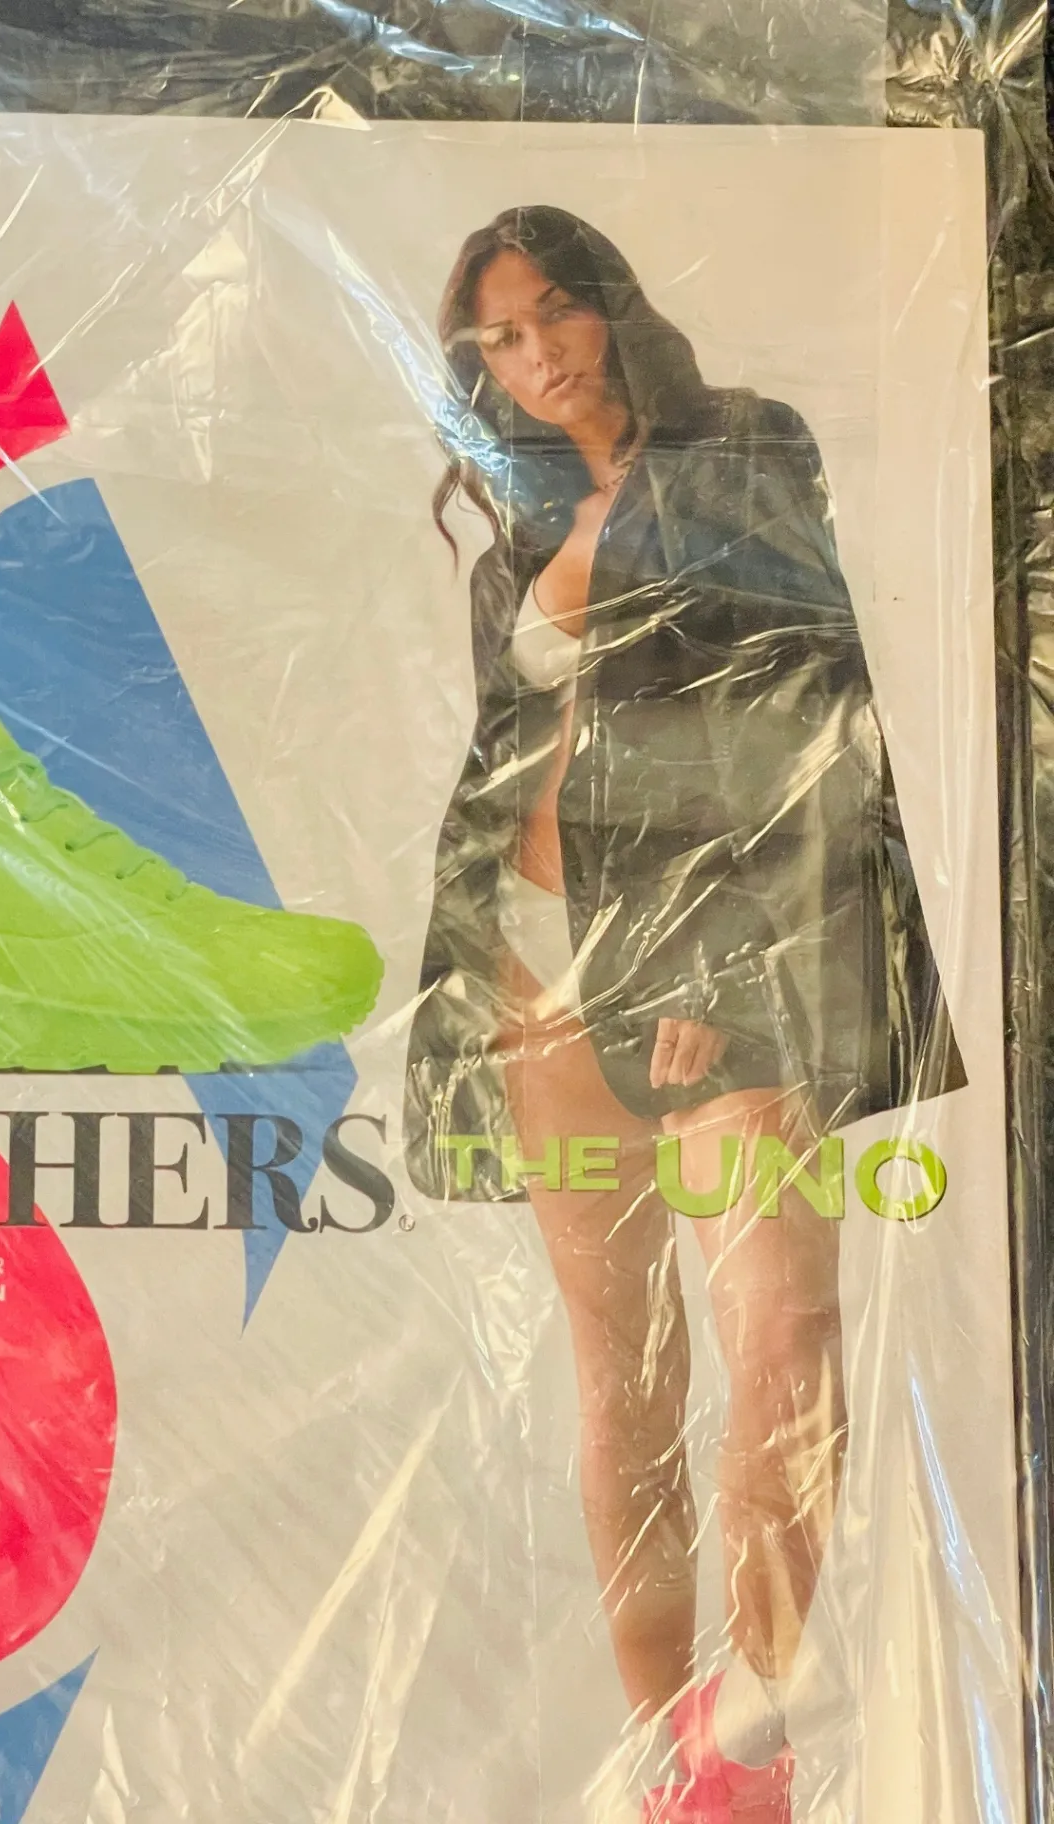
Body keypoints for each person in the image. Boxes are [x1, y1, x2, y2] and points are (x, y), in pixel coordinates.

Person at [403, 206, 965, 1822]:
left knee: (784, 1337)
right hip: (535, 971)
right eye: (501, 339)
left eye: (555, 312)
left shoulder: (740, 455)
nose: (539, 355)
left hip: (719, 975)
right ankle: (673, 1761)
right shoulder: (514, 538)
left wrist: (716, 958)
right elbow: (516, 760)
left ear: (611, 303)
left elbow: (807, 705)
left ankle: (757, 1710)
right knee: (624, 1381)